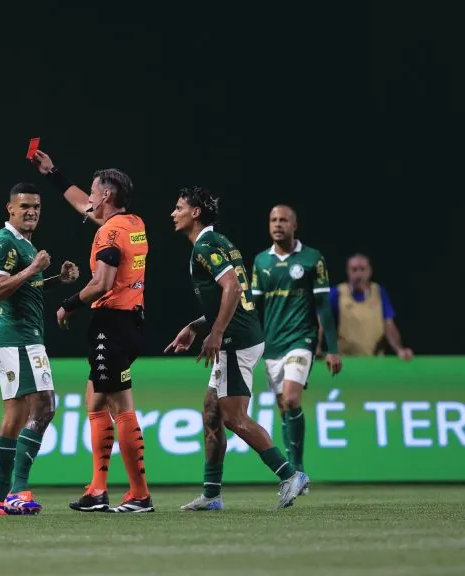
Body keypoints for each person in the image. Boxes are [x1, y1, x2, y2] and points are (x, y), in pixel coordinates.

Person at [165, 187, 309, 511]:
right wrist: (196, 326)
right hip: (243, 333)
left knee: (233, 417)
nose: (173, 214)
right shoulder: (220, 241)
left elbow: (231, 287)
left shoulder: (205, 244)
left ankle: (289, 474)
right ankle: (212, 495)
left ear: (196, 212)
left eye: (178, 208)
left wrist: (215, 333)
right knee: (211, 411)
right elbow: (231, 297)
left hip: (235, 340)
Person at [32, 151, 154, 514]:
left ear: (105, 196)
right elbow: (81, 204)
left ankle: (140, 495)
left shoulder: (109, 232)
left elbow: (101, 283)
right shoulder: (133, 222)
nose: (89, 196)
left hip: (111, 324)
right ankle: (98, 490)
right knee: (96, 402)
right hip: (129, 320)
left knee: (120, 406)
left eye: (93, 191)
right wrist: (53, 173)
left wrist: (68, 303)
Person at [0, 182, 78, 516]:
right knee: (45, 406)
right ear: (10, 208)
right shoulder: (5, 241)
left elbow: (22, 288)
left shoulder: (23, 244)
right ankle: (17, 490)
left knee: (15, 415)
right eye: (24, 206)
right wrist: (32, 269)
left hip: (21, 337)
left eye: (36, 207)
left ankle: (0, 499)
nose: (31, 212)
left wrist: (54, 279)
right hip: (18, 337)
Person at [250, 205, 342, 481]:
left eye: (283, 220)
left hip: (302, 340)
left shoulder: (313, 258)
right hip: (273, 344)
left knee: (291, 398)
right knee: (283, 407)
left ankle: (298, 469)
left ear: (294, 225)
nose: (278, 224)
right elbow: (253, 306)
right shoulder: (261, 261)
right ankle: (293, 473)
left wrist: (332, 349)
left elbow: (323, 306)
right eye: (273, 220)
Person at [329, 254, 413, 359]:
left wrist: (399, 349)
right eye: (354, 270)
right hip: (346, 360)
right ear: (348, 271)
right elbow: (321, 321)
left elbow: (389, 325)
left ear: (370, 271)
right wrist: (315, 348)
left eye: (362, 269)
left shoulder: (378, 292)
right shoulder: (337, 293)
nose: (359, 274)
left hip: (375, 360)